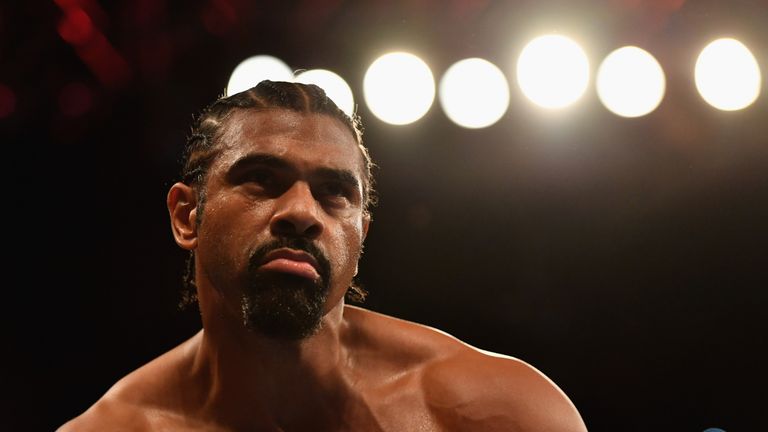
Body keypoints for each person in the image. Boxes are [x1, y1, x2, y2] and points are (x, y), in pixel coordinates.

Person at [59, 80, 588, 431]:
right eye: (262, 180)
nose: (301, 212)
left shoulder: (501, 411)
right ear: (186, 216)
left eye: (334, 192)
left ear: (360, 238)